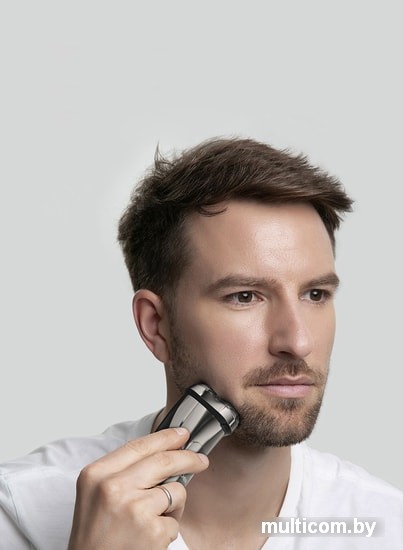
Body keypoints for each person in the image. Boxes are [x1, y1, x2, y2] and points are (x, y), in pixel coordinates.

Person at [0, 137, 402, 549]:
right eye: (244, 297)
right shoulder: (19, 512)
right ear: (156, 326)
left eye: (315, 295)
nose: (297, 342)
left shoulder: (385, 526)